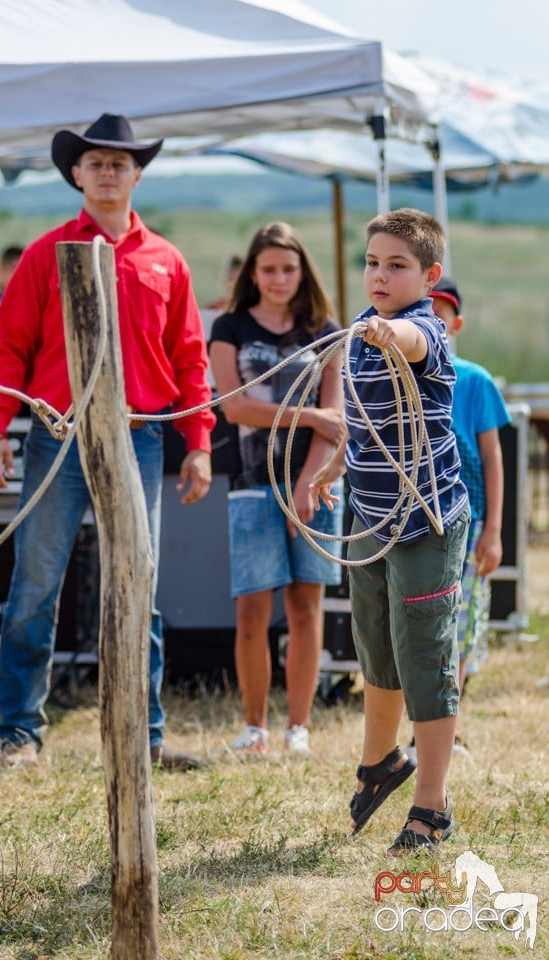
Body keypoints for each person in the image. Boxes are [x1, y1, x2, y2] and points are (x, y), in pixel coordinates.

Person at [0, 113, 215, 769]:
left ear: (137, 174)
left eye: (120, 162)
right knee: (35, 586)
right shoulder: (43, 253)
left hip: (137, 437)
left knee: (140, 583)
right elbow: (10, 351)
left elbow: (191, 360)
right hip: (57, 436)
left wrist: (197, 441)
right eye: (96, 162)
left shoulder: (167, 260)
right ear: (76, 174)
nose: (108, 171)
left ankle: (145, 736)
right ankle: (19, 733)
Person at [310, 208, 470, 855]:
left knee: (424, 656)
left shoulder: (424, 330)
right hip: (370, 513)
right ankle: (380, 763)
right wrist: (331, 463)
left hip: (425, 521)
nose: (379, 273)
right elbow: (365, 419)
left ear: (428, 276)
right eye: (372, 262)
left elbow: (411, 343)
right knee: (374, 645)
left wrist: (389, 330)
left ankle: (431, 807)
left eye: (397, 265)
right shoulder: (358, 333)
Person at [209, 221, 347, 755]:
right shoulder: (230, 327)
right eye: (268, 269)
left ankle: (298, 727)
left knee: (306, 605)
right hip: (250, 481)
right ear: (253, 272)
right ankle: (254, 726)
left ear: (301, 271)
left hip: (312, 485)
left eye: (288, 268)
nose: (278, 278)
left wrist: (308, 484)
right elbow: (235, 406)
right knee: (251, 609)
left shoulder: (325, 329)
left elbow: (335, 421)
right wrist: (309, 414)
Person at [430, 277, 510, 695]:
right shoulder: (391, 380)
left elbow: (493, 457)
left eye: (438, 317)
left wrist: (493, 530)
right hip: (414, 523)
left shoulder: (475, 381)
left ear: (456, 324)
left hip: (469, 518)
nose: (430, 325)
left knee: (459, 619)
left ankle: (448, 718)